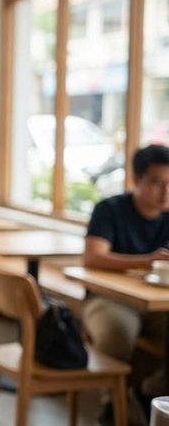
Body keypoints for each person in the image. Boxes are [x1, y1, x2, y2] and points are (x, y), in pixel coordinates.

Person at [82, 144, 169, 425]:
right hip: (109, 299)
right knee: (117, 333)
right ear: (136, 179)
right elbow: (93, 257)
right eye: (157, 183)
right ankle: (113, 407)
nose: (165, 192)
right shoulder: (110, 210)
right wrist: (147, 261)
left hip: (158, 303)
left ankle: (155, 391)